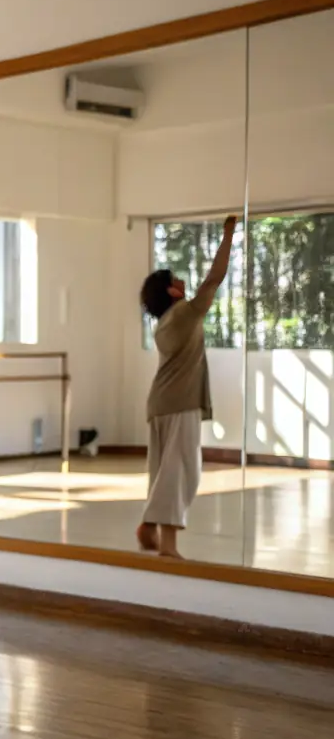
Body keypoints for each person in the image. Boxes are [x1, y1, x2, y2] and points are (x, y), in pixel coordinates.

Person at [136, 214, 237, 559]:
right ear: (171, 290)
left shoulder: (165, 322)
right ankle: (168, 545)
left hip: (161, 403)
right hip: (179, 403)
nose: (183, 279)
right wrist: (228, 236)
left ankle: (151, 526)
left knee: (165, 471)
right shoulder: (184, 314)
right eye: (177, 278)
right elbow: (215, 278)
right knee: (183, 472)